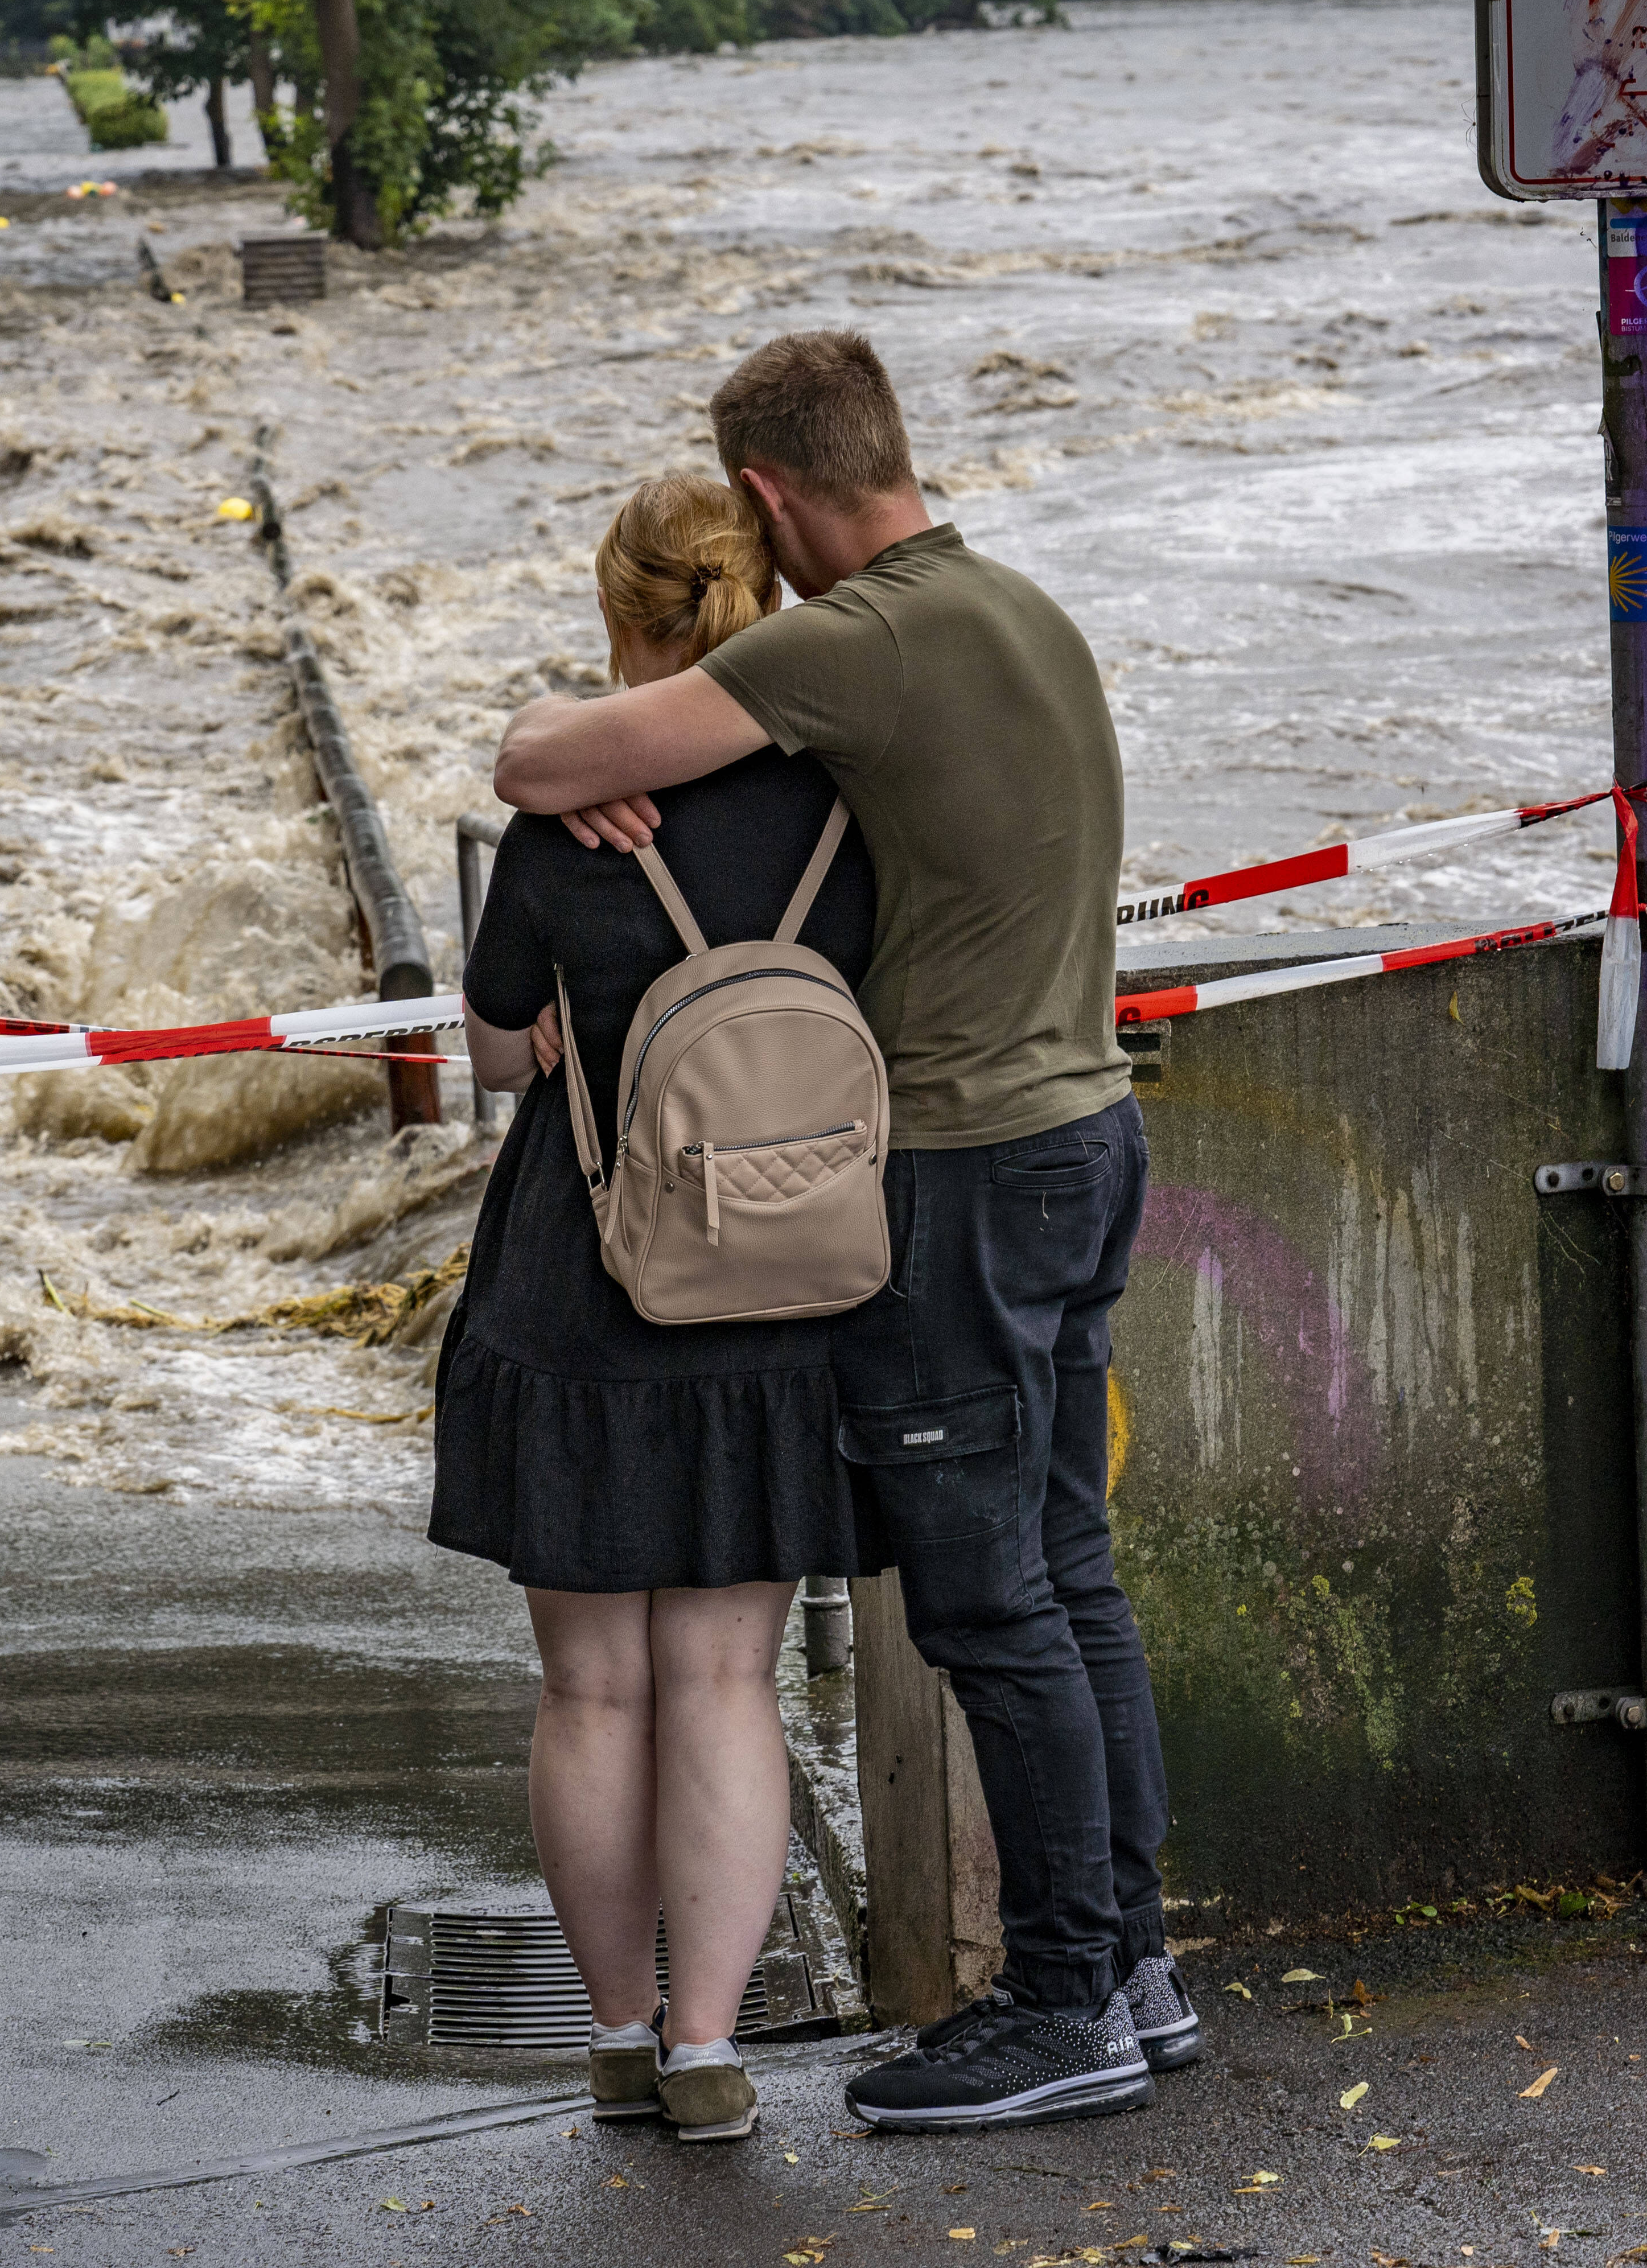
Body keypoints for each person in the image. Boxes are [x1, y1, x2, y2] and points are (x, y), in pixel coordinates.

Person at [489, 331, 1192, 2131]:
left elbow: (544, 752)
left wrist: (572, 769)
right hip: (1089, 1131)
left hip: (963, 1171)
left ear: (770, 496)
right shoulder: (1020, 607)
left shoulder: (852, 638)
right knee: (1071, 1570)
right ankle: (1132, 1968)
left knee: (990, 1604)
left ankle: (1063, 2006)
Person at [432, 475, 884, 2146]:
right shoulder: (848, 802)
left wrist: (559, 1017)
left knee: (593, 1695)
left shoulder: (568, 813)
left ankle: (617, 2032)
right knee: (724, 1684)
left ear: (623, 616)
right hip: (776, 1281)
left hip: (580, 1283)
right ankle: (709, 2049)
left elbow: (496, 1051)